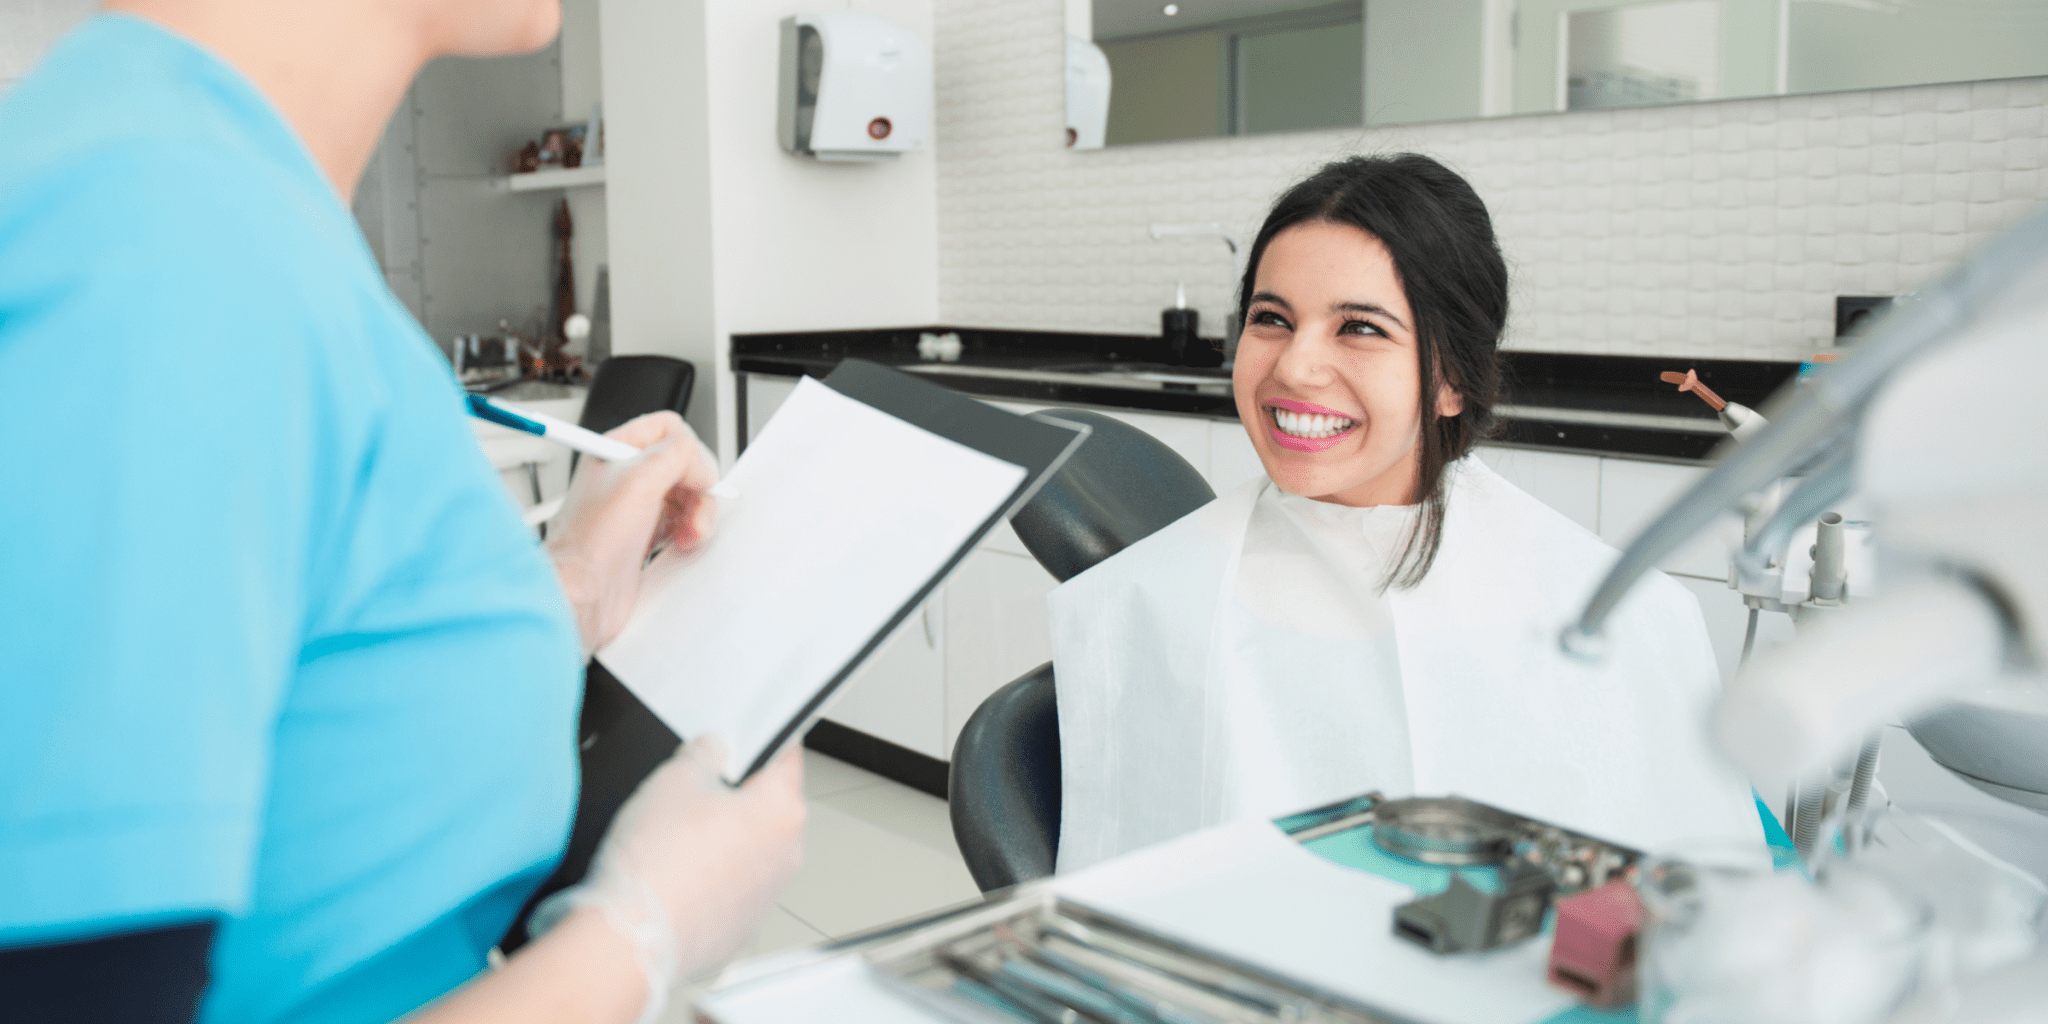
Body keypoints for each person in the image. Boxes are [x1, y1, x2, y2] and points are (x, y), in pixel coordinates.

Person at [0, 3, 802, 1023]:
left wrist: (576, 581)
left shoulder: (216, 194)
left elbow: (310, 690)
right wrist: (640, 935)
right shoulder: (166, 243)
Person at [1049, 154, 1765, 872]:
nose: (1295, 367)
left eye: (1359, 327)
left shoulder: (1626, 616)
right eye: (1271, 318)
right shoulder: (1143, 601)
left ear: (1452, 379)